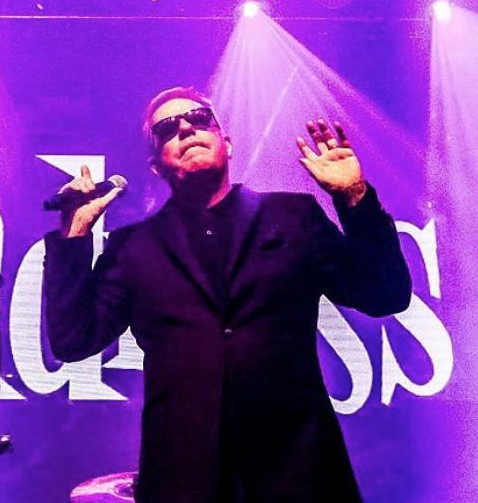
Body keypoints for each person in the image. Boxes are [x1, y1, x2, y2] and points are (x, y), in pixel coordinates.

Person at [43, 86, 411, 503]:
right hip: (184, 479)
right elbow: (73, 340)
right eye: (167, 129)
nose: (186, 129)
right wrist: (74, 234)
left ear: (228, 144)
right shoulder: (134, 247)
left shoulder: (293, 216)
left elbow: (385, 295)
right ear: (156, 166)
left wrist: (354, 197)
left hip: (299, 472)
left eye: (200, 119)